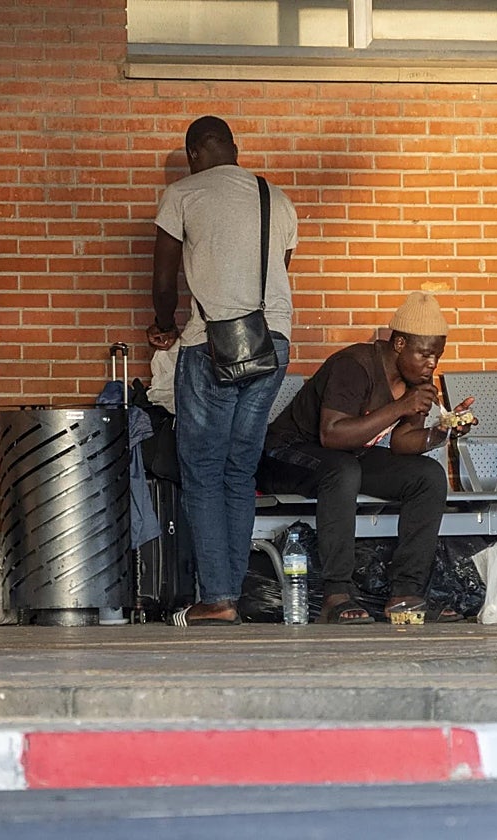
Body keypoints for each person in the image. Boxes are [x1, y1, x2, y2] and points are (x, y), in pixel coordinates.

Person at [147, 116, 298, 627]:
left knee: (205, 471)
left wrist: (164, 325)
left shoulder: (182, 195)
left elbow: (164, 275)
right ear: (234, 149)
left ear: (194, 153)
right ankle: (229, 592)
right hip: (271, 342)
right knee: (240, 471)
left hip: (212, 346)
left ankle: (217, 598)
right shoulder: (275, 198)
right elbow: (282, 266)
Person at [257, 292, 476, 624]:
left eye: (437, 356)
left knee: (427, 476)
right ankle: (336, 595)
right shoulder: (355, 365)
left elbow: (402, 443)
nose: (431, 364)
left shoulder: (416, 379)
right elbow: (332, 434)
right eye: (425, 354)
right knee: (343, 471)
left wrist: (445, 432)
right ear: (399, 344)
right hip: (284, 454)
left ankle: (405, 594)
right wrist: (401, 406)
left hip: (346, 458)